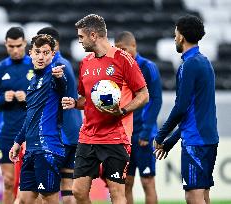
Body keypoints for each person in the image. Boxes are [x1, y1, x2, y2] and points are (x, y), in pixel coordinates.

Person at [61, 14, 149, 204]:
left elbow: (143, 94)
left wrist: (123, 111)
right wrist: (75, 103)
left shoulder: (123, 59)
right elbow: (87, 99)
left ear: (93, 35)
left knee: (117, 193)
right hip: (88, 136)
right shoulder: (86, 62)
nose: (79, 41)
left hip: (114, 137)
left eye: (81, 37)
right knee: (78, 191)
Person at [153, 15, 219, 204]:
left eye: (175, 34)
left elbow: (181, 108)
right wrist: (171, 142)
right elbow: (193, 113)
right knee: (204, 195)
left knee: (193, 197)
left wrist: (160, 135)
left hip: (195, 142)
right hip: (209, 140)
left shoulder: (188, 65)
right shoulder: (205, 63)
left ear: (181, 36)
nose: (174, 38)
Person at [9, 34, 66, 204]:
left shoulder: (54, 76)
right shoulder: (33, 81)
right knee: (24, 200)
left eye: (46, 52)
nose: (41, 56)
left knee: (49, 200)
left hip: (47, 149)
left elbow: (62, 86)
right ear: (30, 54)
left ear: (53, 55)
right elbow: (29, 117)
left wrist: (59, 76)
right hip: (31, 150)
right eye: (38, 52)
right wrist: (18, 142)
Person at [0, 27, 32, 204]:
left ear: (25, 43)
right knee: (8, 182)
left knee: (34, 185)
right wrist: (3, 99)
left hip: (32, 133)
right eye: (11, 46)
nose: (15, 50)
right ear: (6, 45)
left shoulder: (35, 65)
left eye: (18, 45)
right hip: (8, 133)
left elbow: (48, 98)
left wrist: (28, 98)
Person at [115, 31, 162, 204]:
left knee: (147, 181)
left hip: (143, 134)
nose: (122, 53)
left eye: (124, 49)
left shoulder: (147, 67)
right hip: (125, 136)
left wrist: (146, 130)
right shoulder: (119, 70)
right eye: (118, 50)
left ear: (133, 46)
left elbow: (156, 100)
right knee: (126, 183)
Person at [37, 27, 82, 204]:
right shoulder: (66, 63)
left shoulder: (55, 66)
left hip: (57, 135)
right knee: (67, 188)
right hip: (72, 133)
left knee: (45, 191)